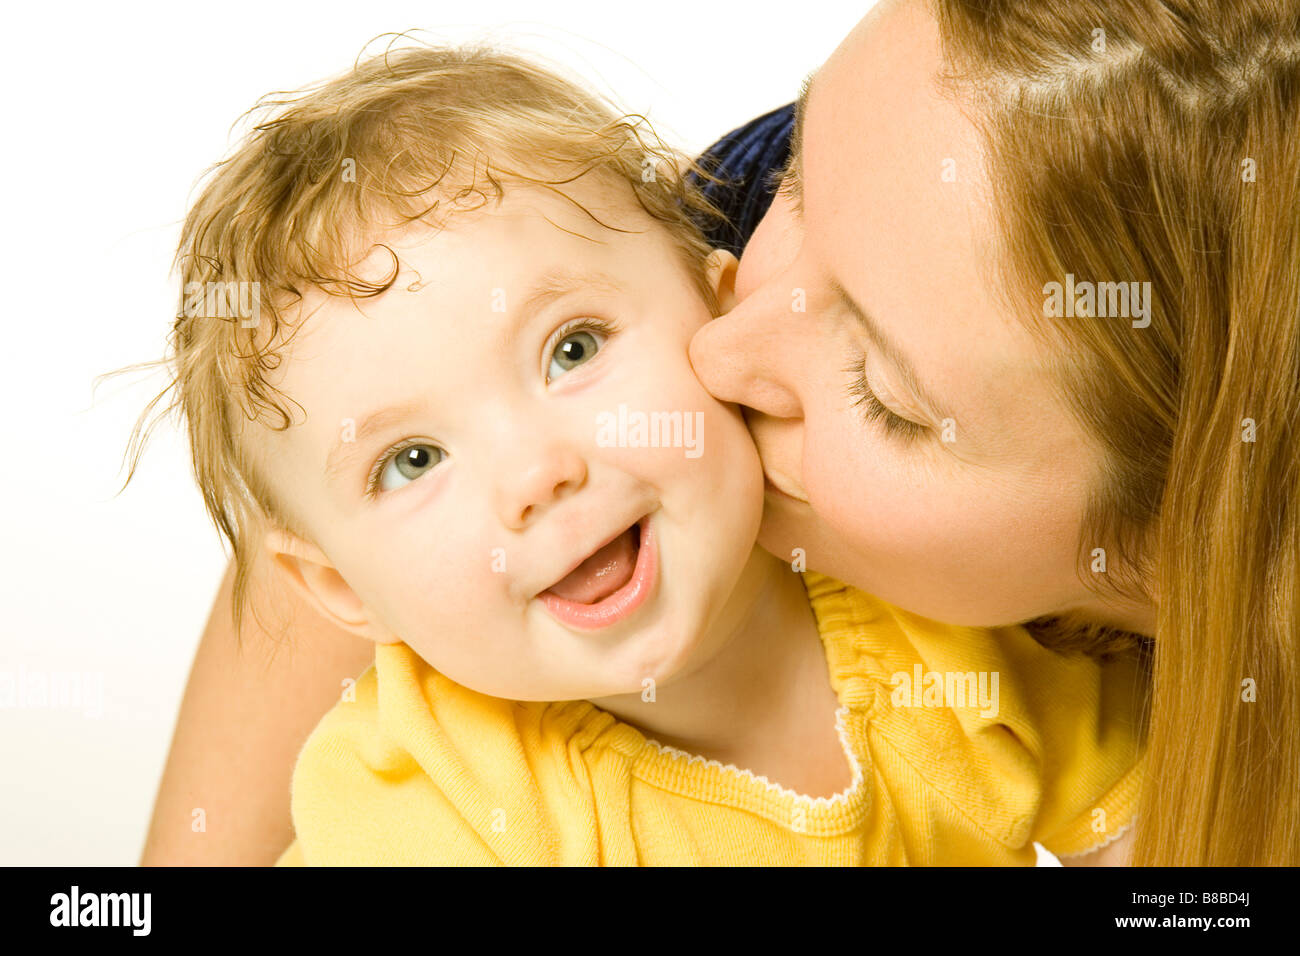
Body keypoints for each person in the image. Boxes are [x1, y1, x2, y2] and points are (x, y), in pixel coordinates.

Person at [127, 42, 1145, 865]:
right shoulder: (428, 808)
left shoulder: (938, 627)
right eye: (412, 460)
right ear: (337, 584)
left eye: (572, 350)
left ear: (716, 306)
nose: (536, 475)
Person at [690, 0, 1300, 865]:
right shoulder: (729, 225)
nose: (713, 353)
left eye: (883, 397)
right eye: (799, 178)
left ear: (1179, 554)